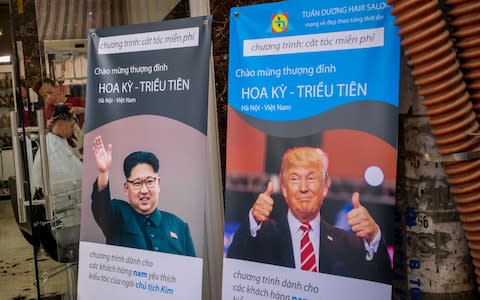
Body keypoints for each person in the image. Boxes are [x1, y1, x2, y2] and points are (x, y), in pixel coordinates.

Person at [227, 146, 391, 283]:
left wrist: (374, 237)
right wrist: (253, 220)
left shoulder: (349, 245)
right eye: (294, 179)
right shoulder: (262, 236)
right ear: (284, 188)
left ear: (326, 186)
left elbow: (381, 281)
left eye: (311, 177)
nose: (303, 187)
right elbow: (234, 265)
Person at [90, 135, 196, 256]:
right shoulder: (117, 216)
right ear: (126, 188)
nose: (144, 190)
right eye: (137, 183)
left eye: (150, 181)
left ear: (158, 183)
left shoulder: (179, 226)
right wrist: (103, 173)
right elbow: (101, 208)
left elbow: (190, 271)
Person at [31, 104, 83, 204]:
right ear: (59, 125)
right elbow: (66, 179)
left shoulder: (56, 140)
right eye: (71, 126)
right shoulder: (53, 147)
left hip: (61, 199)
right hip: (58, 205)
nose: (73, 130)